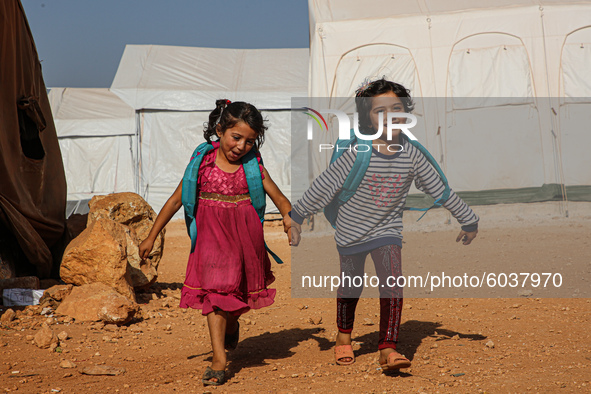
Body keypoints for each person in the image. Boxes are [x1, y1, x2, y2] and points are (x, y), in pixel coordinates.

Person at [289, 78, 478, 371]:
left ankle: (388, 347)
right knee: (351, 285)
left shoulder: (412, 155)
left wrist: (467, 218)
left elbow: (439, 190)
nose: (391, 116)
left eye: (398, 108)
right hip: (351, 233)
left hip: (386, 232)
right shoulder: (358, 153)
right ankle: (343, 336)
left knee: (392, 282)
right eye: (380, 111)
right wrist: (297, 217)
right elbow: (324, 186)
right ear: (367, 118)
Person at [139, 100, 293, 386]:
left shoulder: (253, 165)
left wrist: (288, 217)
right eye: (236, 137)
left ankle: (232, 324)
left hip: (245, 240)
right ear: (220, 130)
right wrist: (151, 235)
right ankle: (219, 359)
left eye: (249, 141)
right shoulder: (202, 163)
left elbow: (279, 197)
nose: (241, 146)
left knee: (235, 297)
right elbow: (176, 200)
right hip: (210, 240)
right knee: (215, 296)